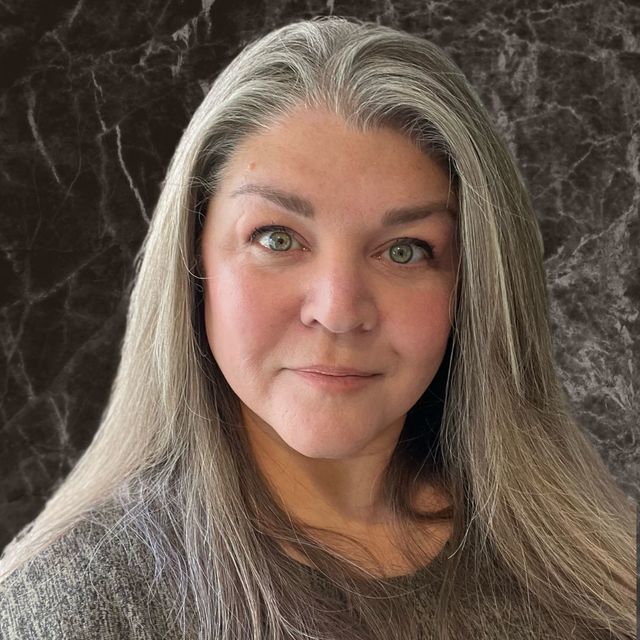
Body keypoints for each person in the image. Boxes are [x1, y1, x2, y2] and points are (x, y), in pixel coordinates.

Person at [0, 15, 635, 640]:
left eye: (406, 250)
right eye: (277, 238)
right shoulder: (68, 613)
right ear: (193, 262)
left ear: (475, 286)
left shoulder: (598, 590)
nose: (337, 310)